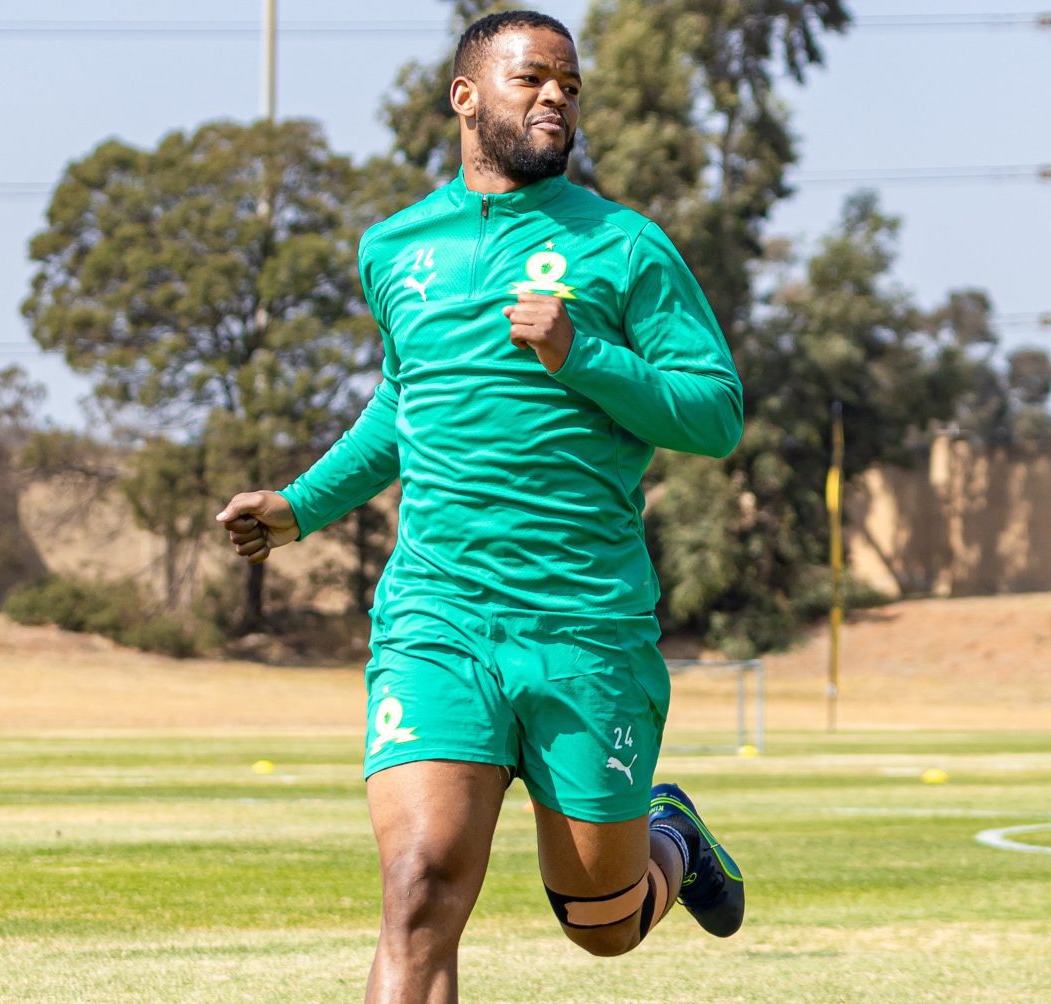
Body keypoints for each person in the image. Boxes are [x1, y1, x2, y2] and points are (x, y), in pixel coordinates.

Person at [216, 10, 745, 1002]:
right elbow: (403, 406)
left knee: (604, 924)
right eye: (533, 78)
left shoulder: (626, 246)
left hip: (584, 623)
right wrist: (299, 507)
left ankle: (670, 833)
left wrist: (580, 353)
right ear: (466, 96)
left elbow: (716, 414)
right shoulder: (395, 248)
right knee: (419, 890)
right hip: (439, 615)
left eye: (570, 86)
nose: (556, 97)